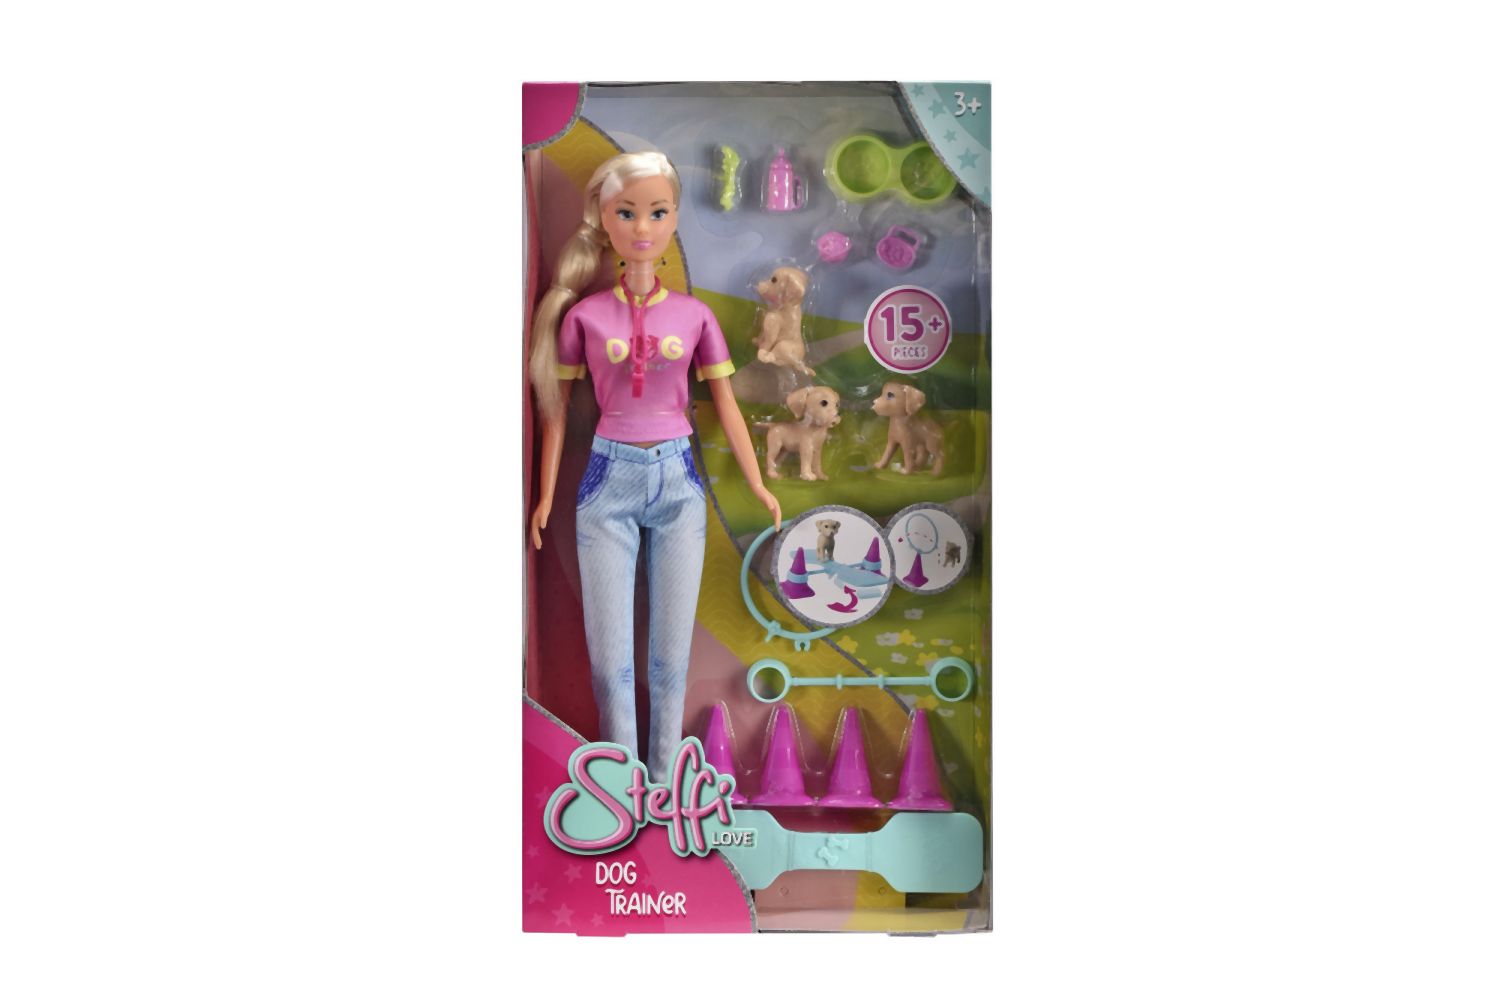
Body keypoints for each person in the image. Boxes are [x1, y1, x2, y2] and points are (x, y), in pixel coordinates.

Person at [529, 151, 780, 779]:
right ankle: (621, 779)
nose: (643, 228)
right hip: (607, 479)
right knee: (608, 661)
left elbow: (725, 404)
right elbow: (556, 412)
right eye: (627, 213)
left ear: (674, 220)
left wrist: (757, 481)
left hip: (678, 479)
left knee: (671, 659)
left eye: (658, 213)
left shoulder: (695, 316)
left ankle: (663, 784)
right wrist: (544, 495)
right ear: (602, 219)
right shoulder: (584, 317)